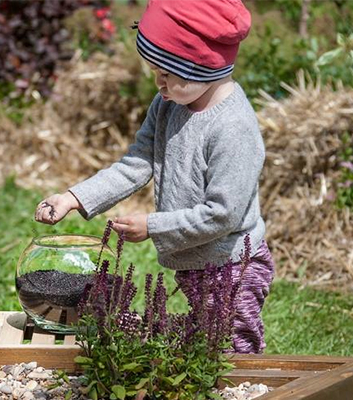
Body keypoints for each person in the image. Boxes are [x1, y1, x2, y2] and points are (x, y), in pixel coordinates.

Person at [34, 0, 274, 354]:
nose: (157, 82)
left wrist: (154, 226)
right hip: (195, 259)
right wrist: (74, 198)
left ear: (199, 66)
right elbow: (136, 163)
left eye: (166, 73)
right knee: (200, 344)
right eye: (153, 71)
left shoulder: (233, 128)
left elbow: (224, 213)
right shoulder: (168, 104)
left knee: (235, 350)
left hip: (233, 266)